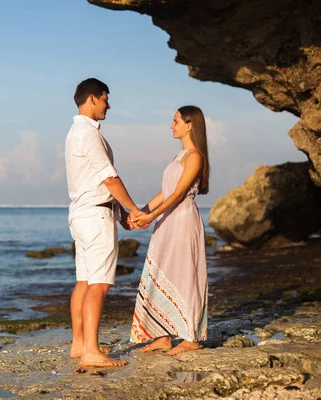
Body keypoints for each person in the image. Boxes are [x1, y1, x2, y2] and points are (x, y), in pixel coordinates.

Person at [65, 78, 144, 367]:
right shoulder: (88, 134)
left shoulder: (74, 132)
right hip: (95, 216)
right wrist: (132, 209)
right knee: (99, 284)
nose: (109, 105)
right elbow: (108, 178)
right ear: (93, 99)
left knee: (84, 281)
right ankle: (91, 351)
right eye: (105, 99)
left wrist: (121, 214)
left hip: (82, 212)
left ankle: (79, 344)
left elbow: (94, 180)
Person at [130, 105, 210, 356]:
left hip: (183, 218)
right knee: (159, 270)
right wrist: (141, 211)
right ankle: (162, 336)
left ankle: (191, 337)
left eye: (175, 121)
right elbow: (165, 191)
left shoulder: (195, 156)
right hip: (167, 219)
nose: (171, 125)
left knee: (186, 274)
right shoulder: (179, 157)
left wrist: (152, 215)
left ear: (189, 124)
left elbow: (178, 194)